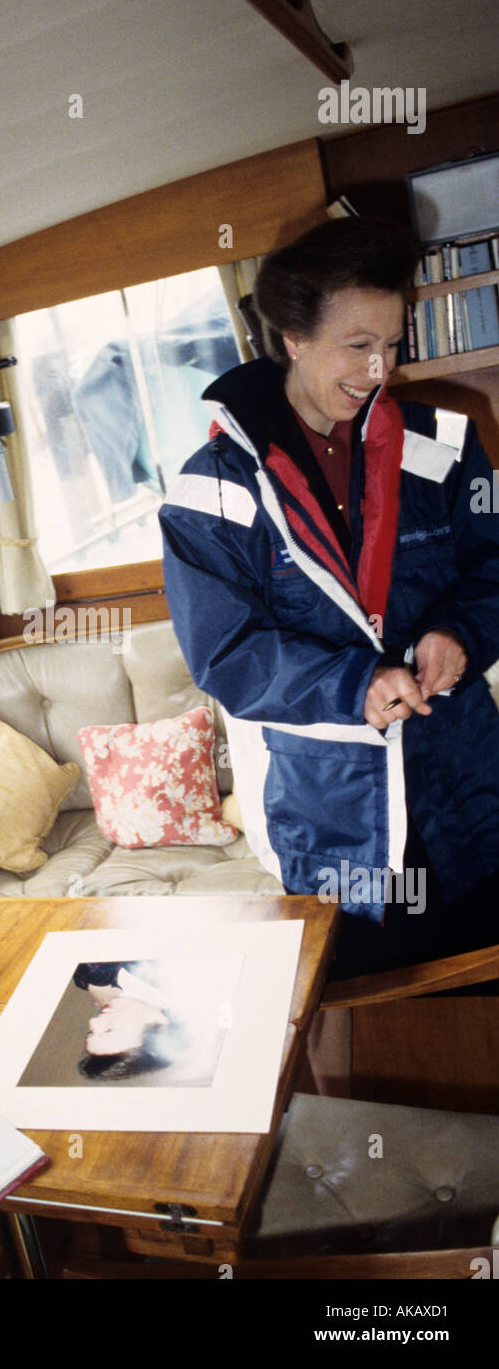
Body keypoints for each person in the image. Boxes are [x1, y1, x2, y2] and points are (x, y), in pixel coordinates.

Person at [159, 217, 499, 978]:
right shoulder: (210, 490)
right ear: (291, 337)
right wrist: (356, 683)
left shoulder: (444, 440)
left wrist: (459, 633)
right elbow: (226, 654)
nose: (379, 369)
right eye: (356, 345)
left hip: (467, 782)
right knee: (370, 1014)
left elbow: (493, 568)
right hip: (336, 814)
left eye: (394, 344)